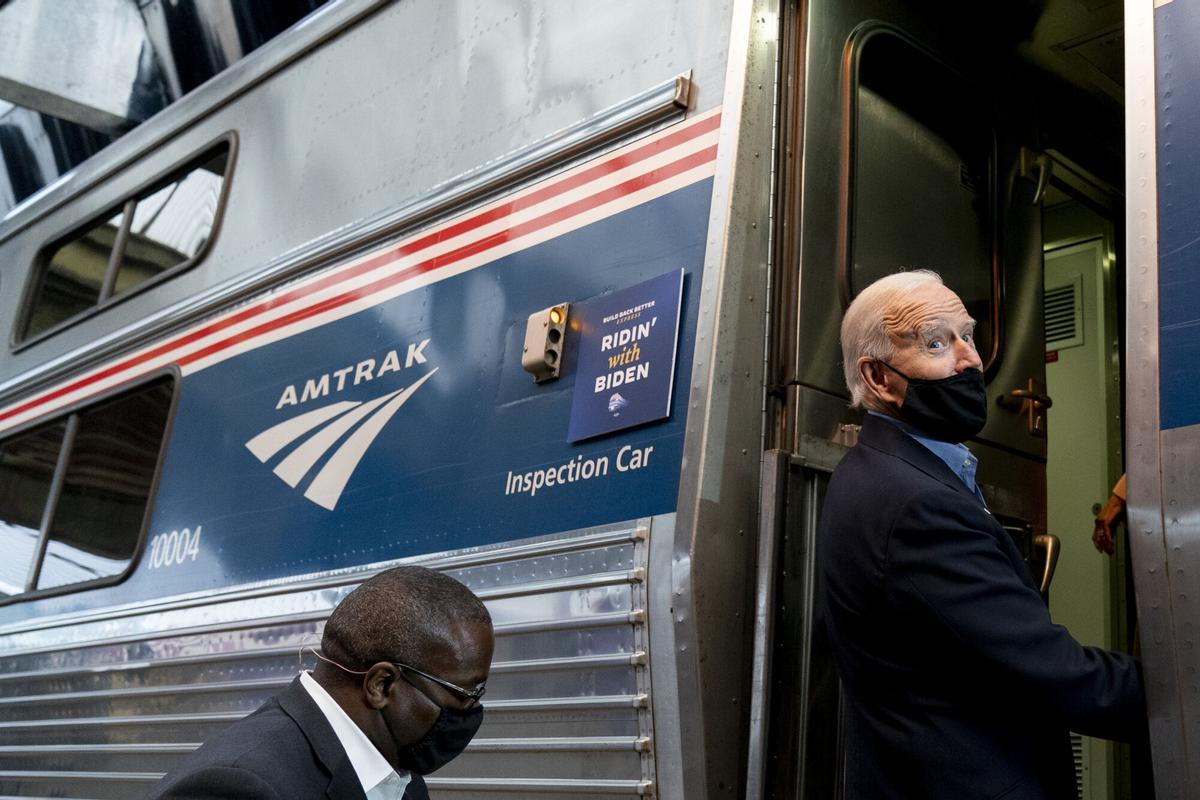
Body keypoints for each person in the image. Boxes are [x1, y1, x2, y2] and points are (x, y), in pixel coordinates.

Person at [817, 270, 1145, 799]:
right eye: (934, 342)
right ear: (879, 378)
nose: (969, 359)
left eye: (966, 335)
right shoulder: (915, 504)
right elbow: (1049, 672)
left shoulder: (878, 470)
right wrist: (1178, 690)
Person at [145, 565, 494, 800]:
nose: (473, 709)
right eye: (466, 693)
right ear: (381, 685)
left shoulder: (397, 777)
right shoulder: (238, 787)